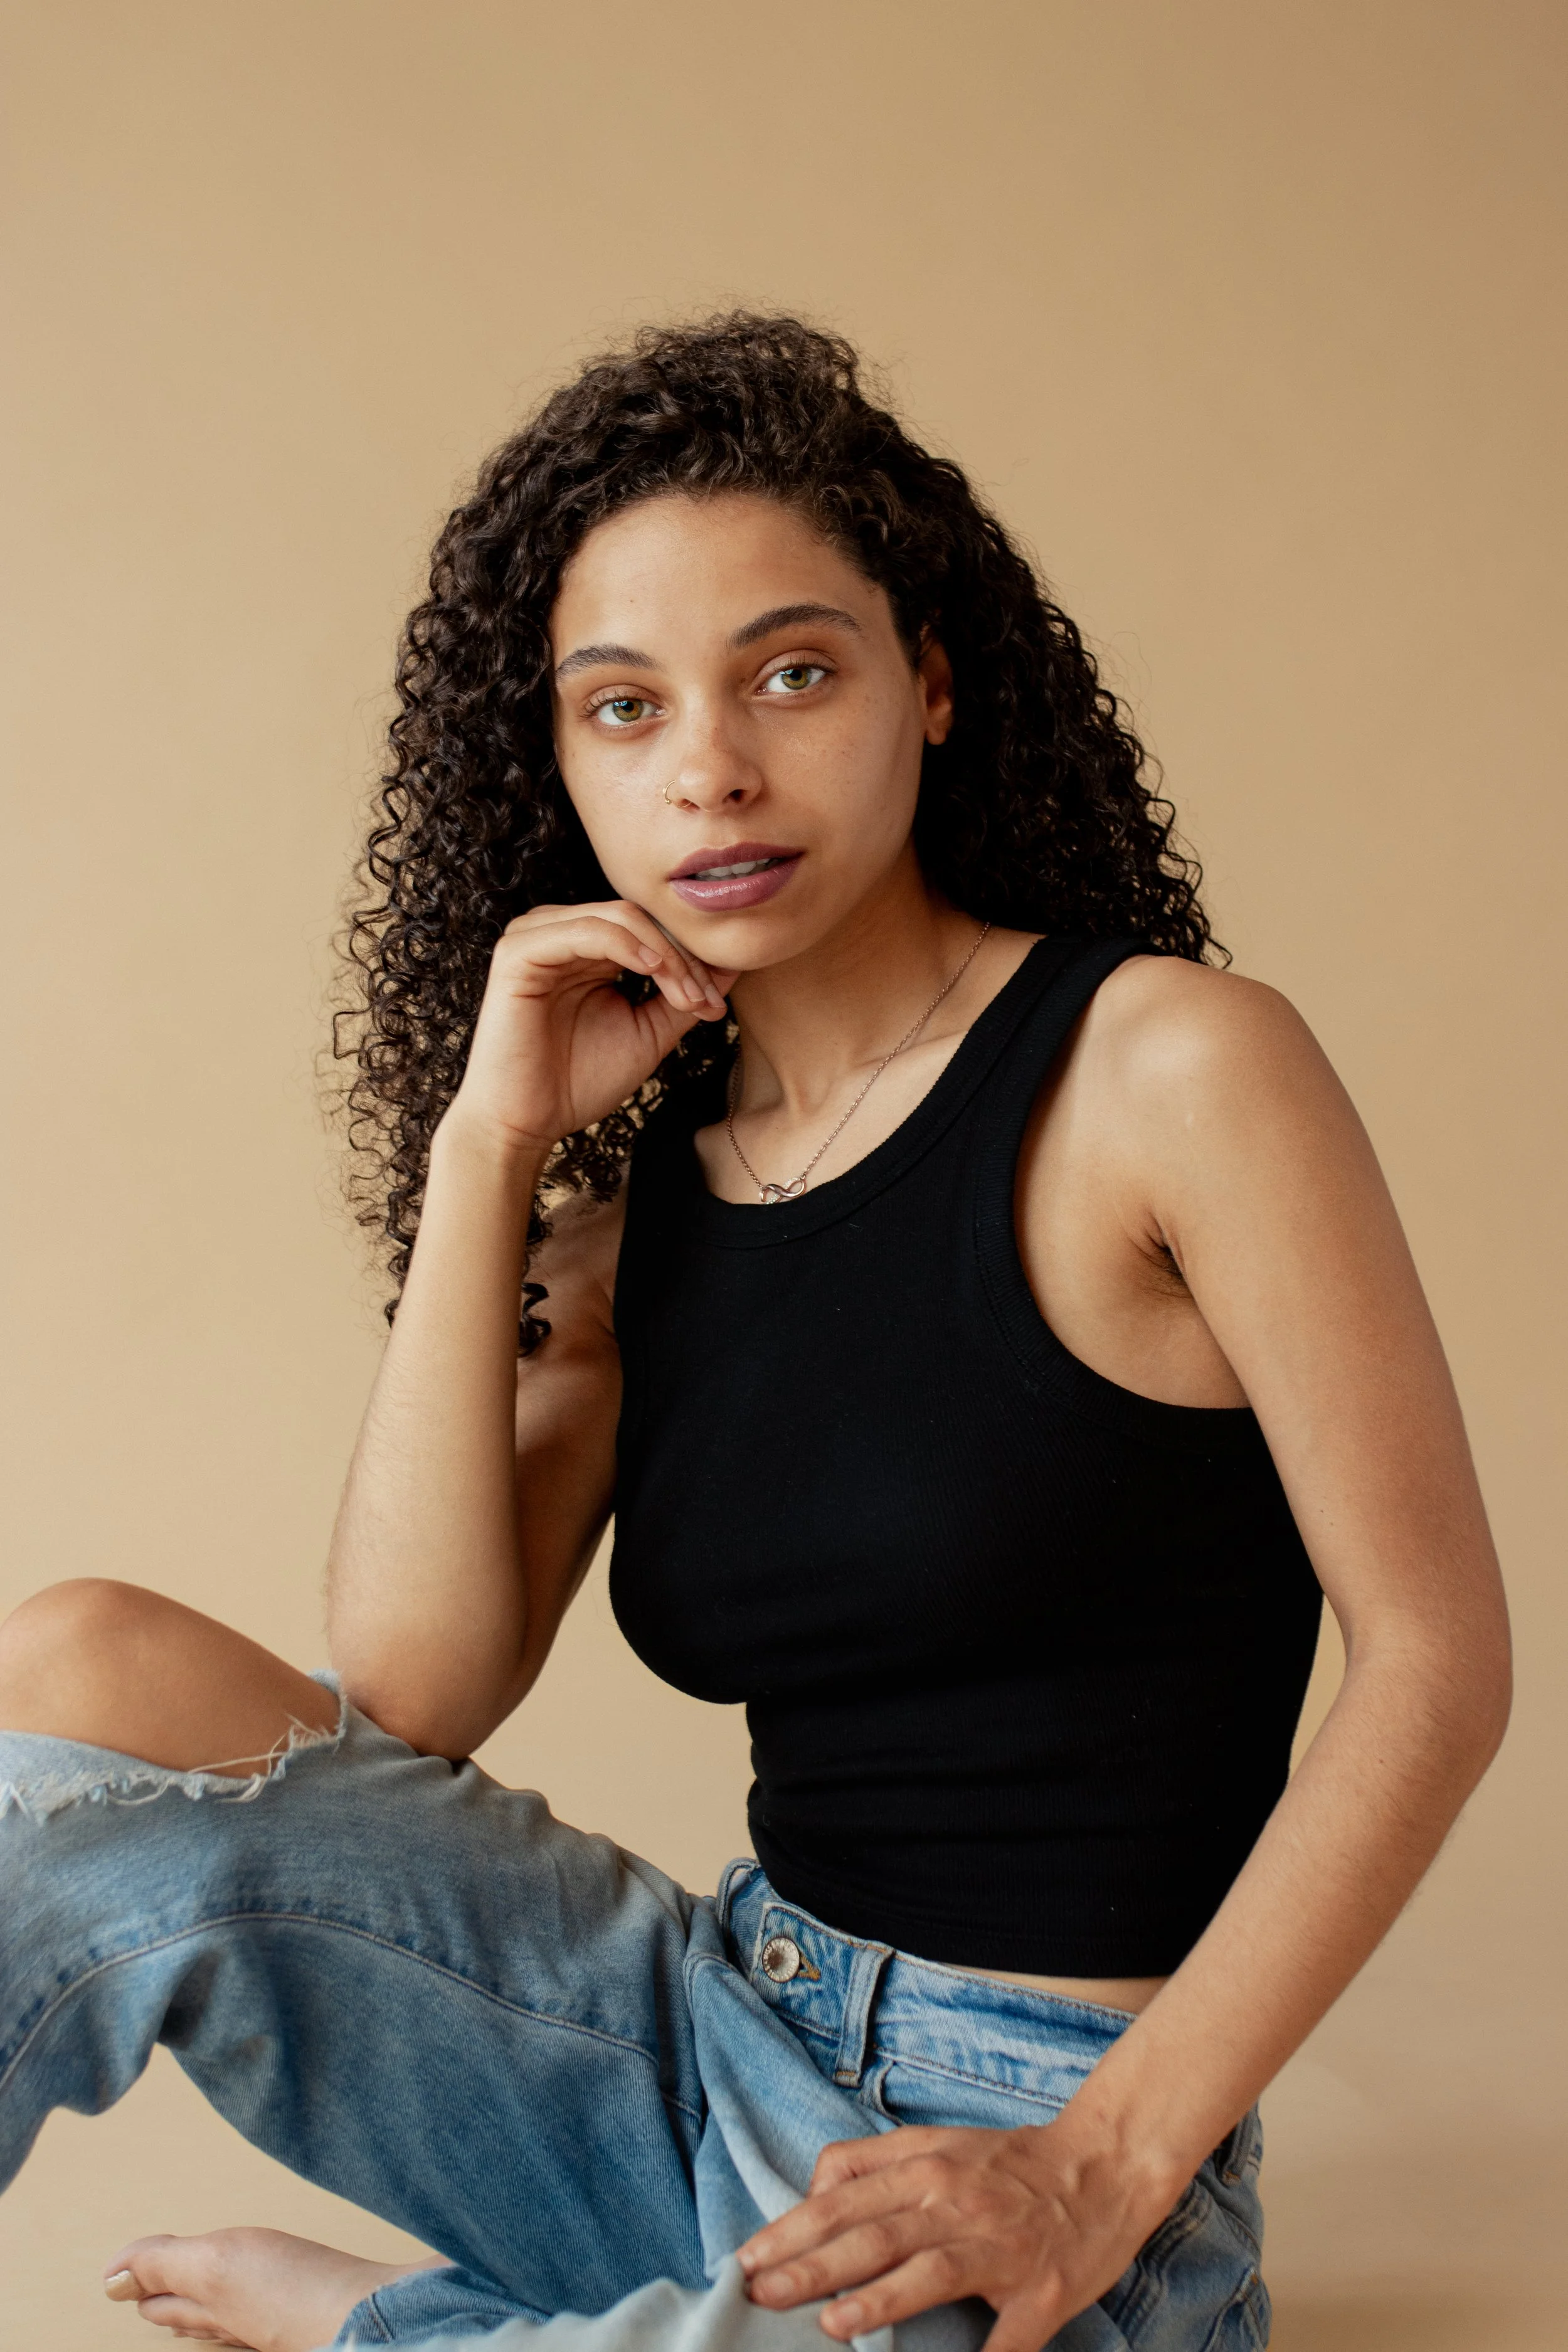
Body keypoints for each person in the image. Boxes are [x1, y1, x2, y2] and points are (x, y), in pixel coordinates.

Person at [0, 315, 1510, 2352]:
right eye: (620, 709)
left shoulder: (1164, 1070)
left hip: (1030, 2144)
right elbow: (409, 1690)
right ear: (555, 767)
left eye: (789, 672)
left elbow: (1433, 1657)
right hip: (694, 2040)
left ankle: (406, 2333)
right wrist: (486, 1143)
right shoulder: (630, 1231)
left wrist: (1099, 2165)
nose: (708, 764)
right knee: (74, 1671)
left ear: (934, 683)